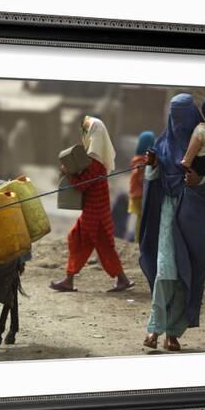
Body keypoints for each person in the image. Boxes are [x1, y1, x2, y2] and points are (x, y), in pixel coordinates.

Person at [139, 94, 205, 351]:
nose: (179, 123)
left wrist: (199, 182)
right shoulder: (163, 145)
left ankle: (173, 333)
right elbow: (154, 179)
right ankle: (154, 328)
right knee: (166, 271)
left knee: (183, 275)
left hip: (193, 220)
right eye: (174, 116)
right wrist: (153, 166)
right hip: (168, 216)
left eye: (183, 117)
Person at [50, 116, 134, 293]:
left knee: (90, 244)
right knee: (84, 241)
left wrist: (69, 174)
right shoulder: (95, 159)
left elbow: (81, 186)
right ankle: (72, 279)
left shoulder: (94, 162)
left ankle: (70, 279)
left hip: (95, 215)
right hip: (96, 213)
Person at [127, 131, 155, 242]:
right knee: (142, 218)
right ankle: (139, 239)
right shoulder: (143, 161)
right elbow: (141, 178)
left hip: (135, 193)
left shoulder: (136, 158)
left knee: (140, 218)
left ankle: (138, 238)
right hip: (141, 194)